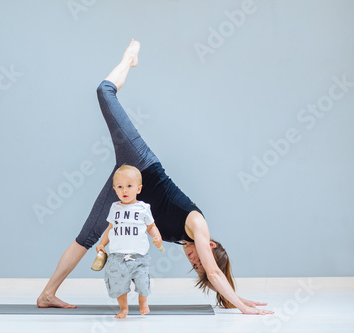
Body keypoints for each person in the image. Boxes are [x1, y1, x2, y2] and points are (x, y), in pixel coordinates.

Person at [37, 39, 274, 315]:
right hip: (141, 163)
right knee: (104, 91)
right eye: (199, 260)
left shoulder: (182, 238)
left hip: (129, 187)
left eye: (194, 267)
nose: (194, 262)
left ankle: (47, 294)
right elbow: (214, 271)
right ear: (209, 245)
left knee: (87, 237)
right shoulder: (198, 225)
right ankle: (129, 59)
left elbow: (213, 272)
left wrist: (237, 299)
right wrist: (243, 307)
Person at [95, 164, 162, 318]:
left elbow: (151, 226)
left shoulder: (143, 208)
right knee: (118, 285)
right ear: (114, 189)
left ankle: (143, 302)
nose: (124, 190)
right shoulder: (115, 208)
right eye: (120, 187)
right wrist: (102, 244)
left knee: (143, 282)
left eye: (129, 186)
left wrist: (157, 237)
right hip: (117, 257)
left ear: (138, 189)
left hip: (139, 257)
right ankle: (123, 308)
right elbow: (110, 228)